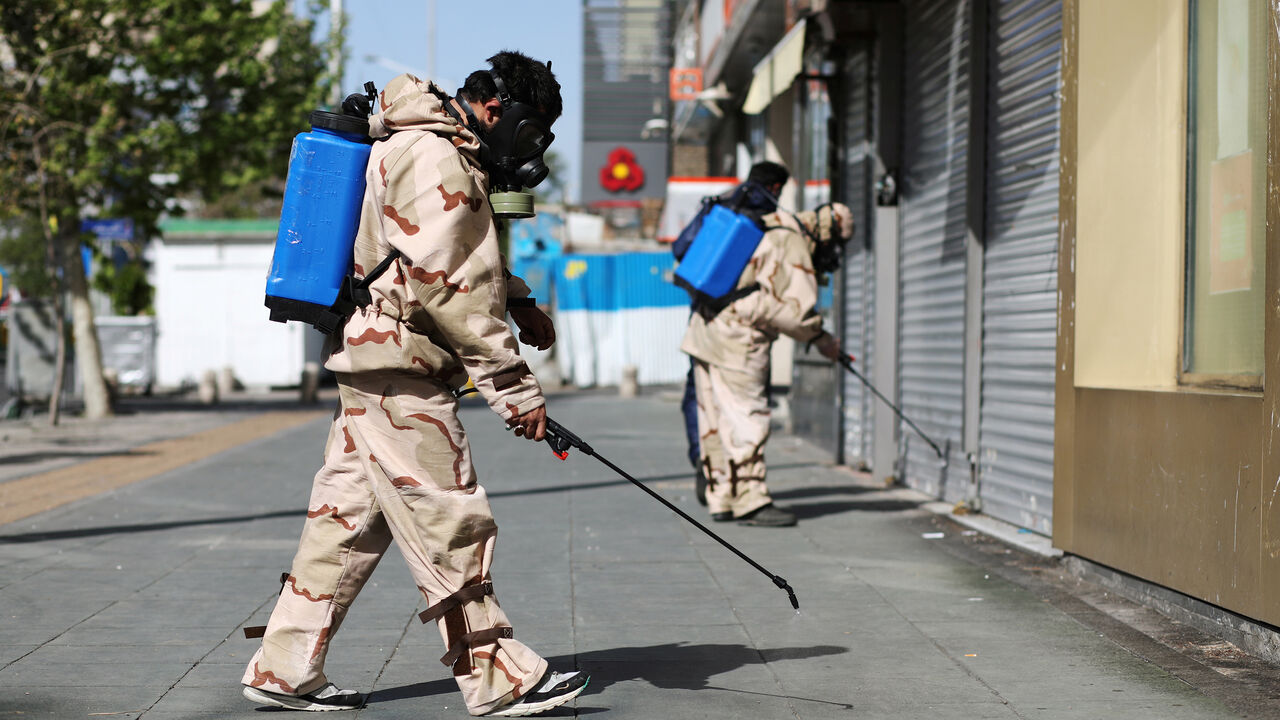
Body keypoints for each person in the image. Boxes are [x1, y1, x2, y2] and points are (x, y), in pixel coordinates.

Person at [240, 52, 589, 716]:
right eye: (531, 131)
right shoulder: (435, 157)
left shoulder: (414, 142)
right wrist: (515, 389)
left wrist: (513, 297)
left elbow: (432, 257)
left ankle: (283, 668)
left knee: (342, 527)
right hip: (401, 373)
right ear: (496, 109)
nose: (531, 148)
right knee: (449, 519)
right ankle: (495, 674)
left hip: (375, 362)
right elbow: (448, 283)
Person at [681, 202, 854, 527]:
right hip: (738, 342)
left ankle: (722, 496)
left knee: (714, 419)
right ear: (826, 230)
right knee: (749, 417)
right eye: (836, 244)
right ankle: (751, 499)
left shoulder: (768, 223)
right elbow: (795, 312)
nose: (832, 254)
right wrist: (822, 338)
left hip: (705, 330)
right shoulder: (791, 240)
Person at [671, 161, 790, 506]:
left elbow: (681, 249)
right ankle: (737, 482)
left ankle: (703, 461)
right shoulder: (764, 216)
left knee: (698, 394)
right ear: (777, 187)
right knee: (740, 404)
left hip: (701, 313)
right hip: (737, 326)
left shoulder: (720, 202)